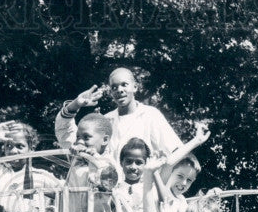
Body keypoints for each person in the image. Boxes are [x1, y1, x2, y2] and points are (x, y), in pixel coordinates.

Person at [55, 68, 183, 164]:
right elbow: (68, 138)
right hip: (108, 192)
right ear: (111, 92)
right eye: (114, 87)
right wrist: (75, 104)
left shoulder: (150, 115)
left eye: (124, 84)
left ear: (135, 87)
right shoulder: (105, 121)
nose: (119, 90)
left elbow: (175, 152)